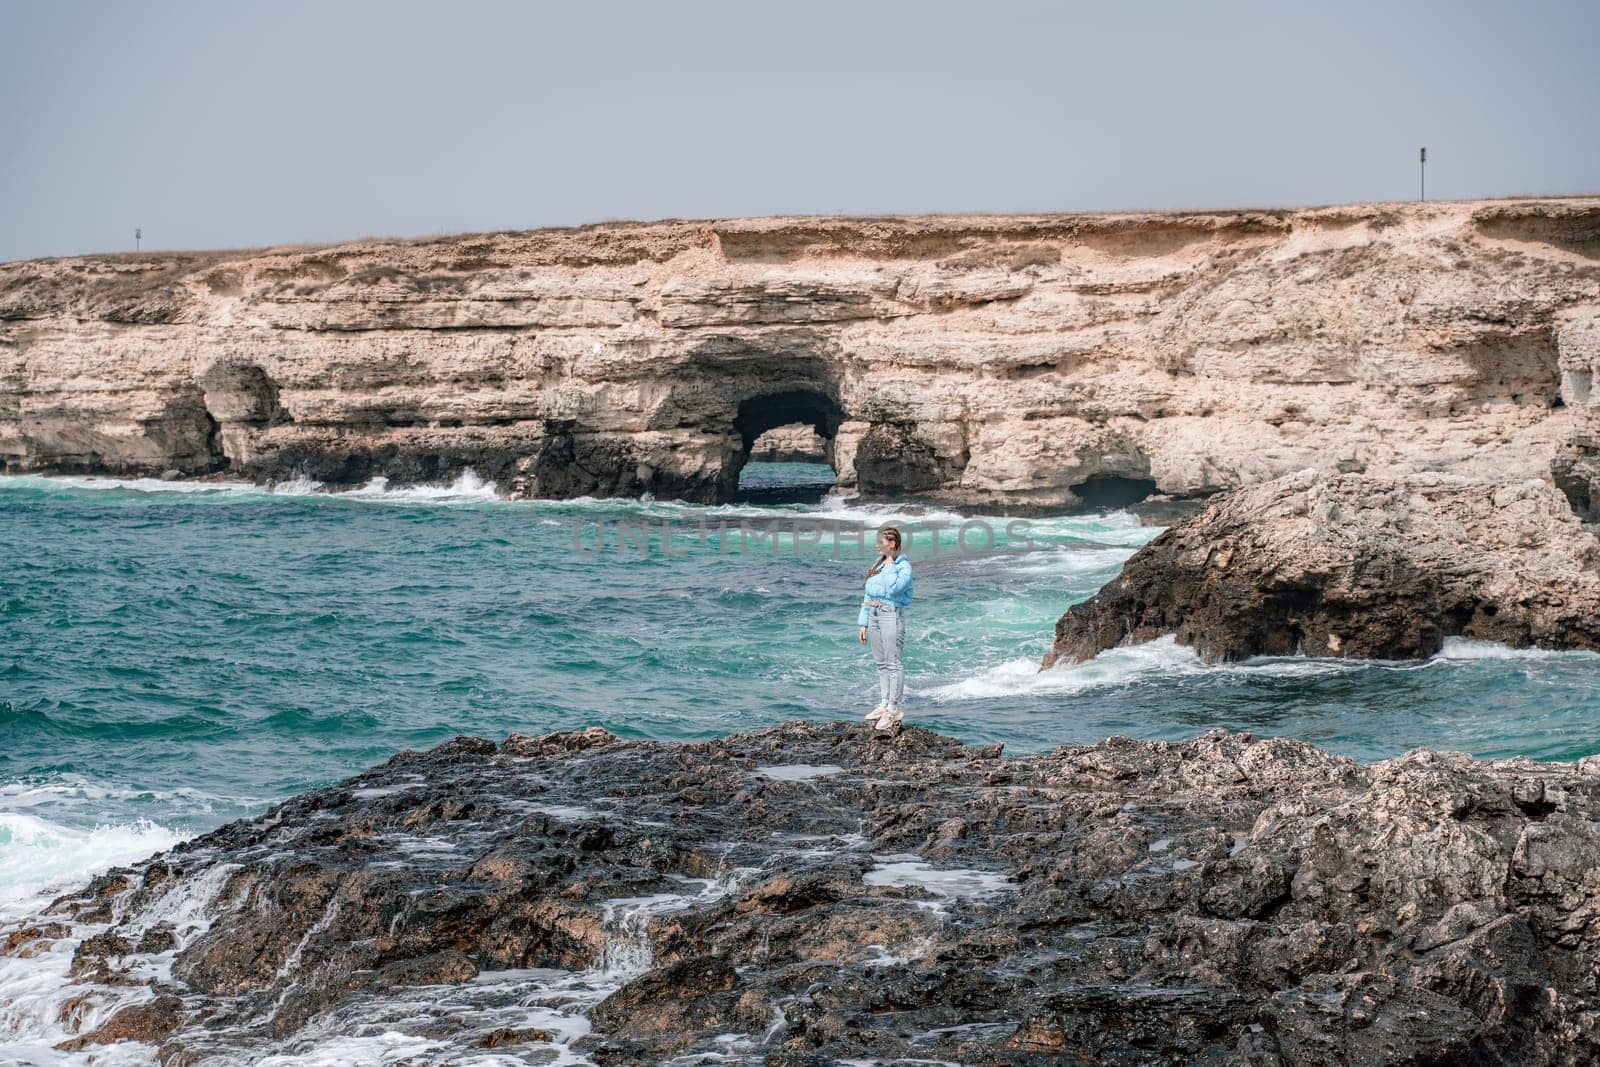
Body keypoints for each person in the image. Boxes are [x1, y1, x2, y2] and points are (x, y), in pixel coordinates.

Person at [857, 526, 913, 734]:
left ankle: (893, 708)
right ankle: (883, 703)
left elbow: (894, 589)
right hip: (874, 616)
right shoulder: (878, 565)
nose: (877, 546)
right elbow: (868, 594)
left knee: (893, 663)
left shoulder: (903, 567)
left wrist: (890, 562)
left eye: (881, 543)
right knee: (881, 663)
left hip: (892, 615)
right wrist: (862, 623)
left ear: (892, 545)